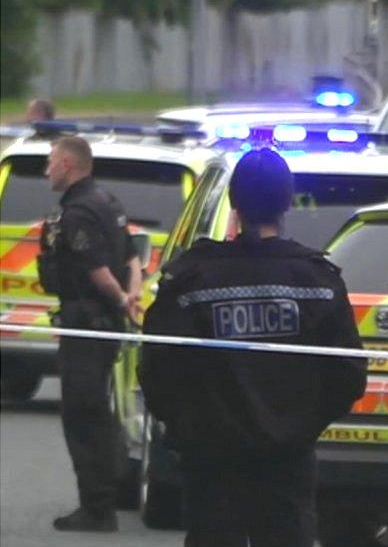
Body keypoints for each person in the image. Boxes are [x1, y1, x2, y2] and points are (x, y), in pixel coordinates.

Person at [139, 148, 368, 547]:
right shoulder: (316, 280)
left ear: (234, 201)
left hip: (211, 460)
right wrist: (301, 426)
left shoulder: (192, 279)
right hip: (287, 458)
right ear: (288, 201)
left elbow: (157, 368)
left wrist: (186, 429)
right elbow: (348, 373)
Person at [41, 136, 142, 532]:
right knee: (98, 410)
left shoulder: (78, 212)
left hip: (86, 324)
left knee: (83, 415)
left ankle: (98, 508)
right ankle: (108, 494)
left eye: (51, 161)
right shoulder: (107, 201)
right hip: (102, 324)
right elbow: (133, 254)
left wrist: (120, 299)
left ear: (68, 164)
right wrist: (131, 294)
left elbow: (95, 269)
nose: (47, 168)